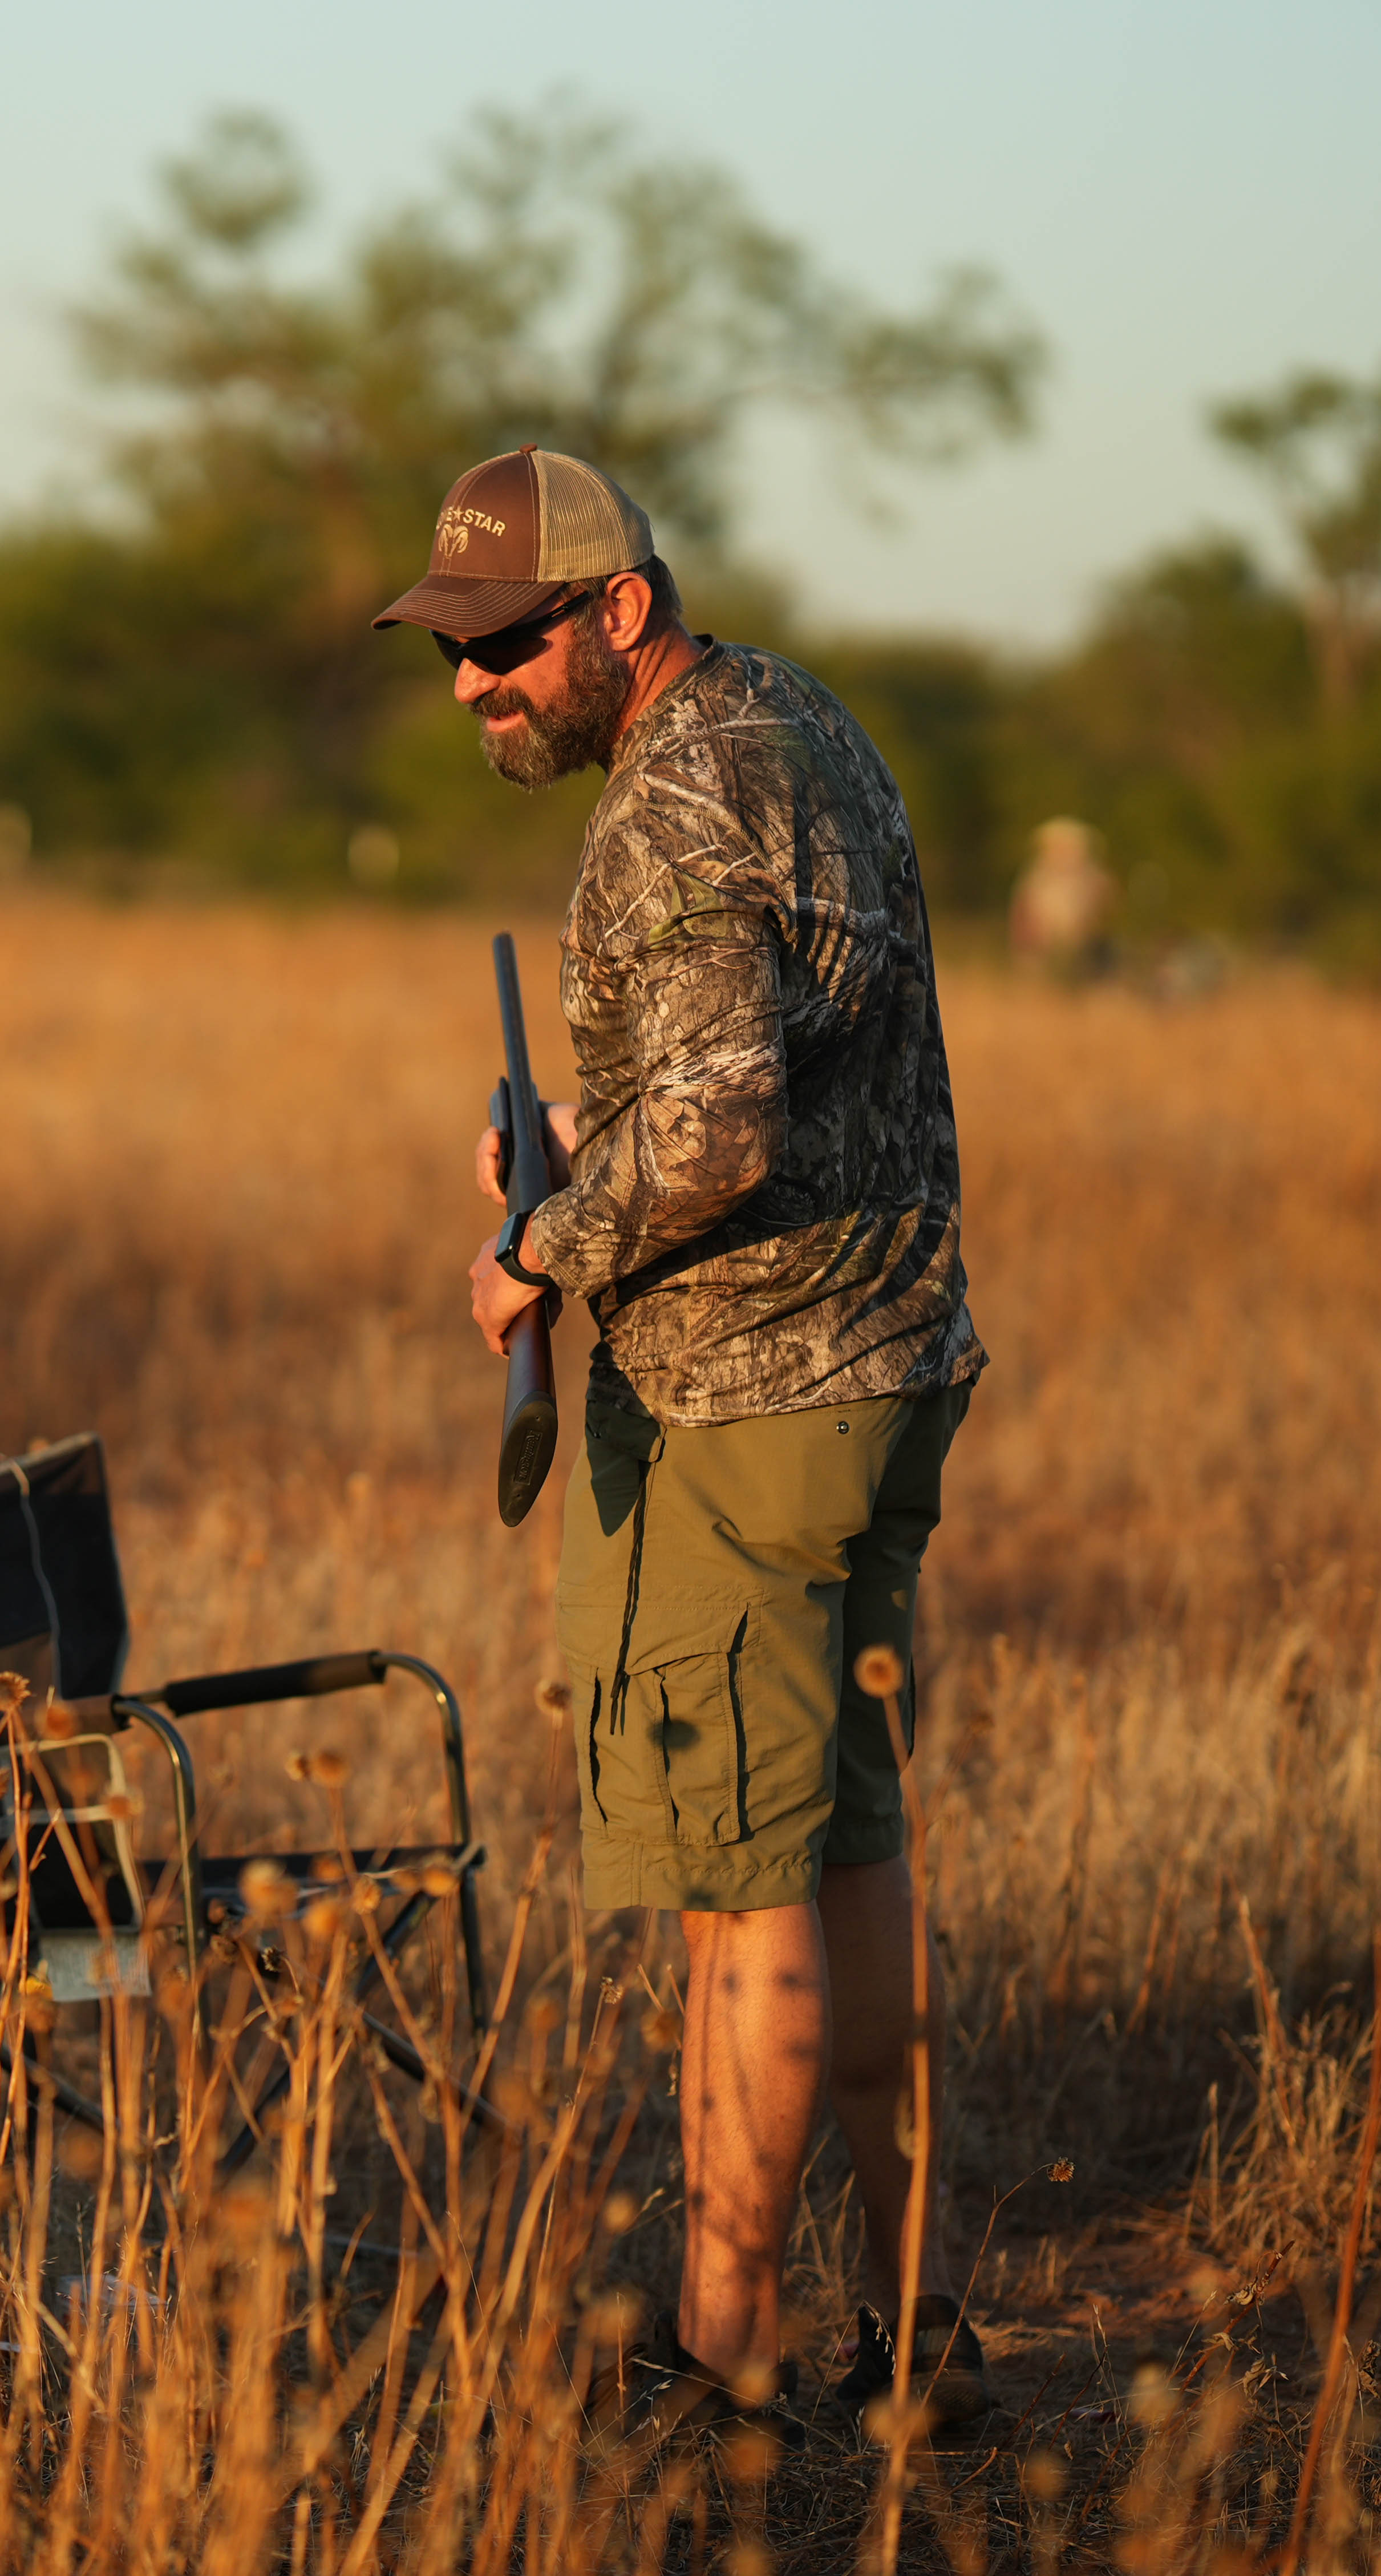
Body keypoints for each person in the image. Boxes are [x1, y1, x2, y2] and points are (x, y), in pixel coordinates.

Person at [377, 448, 993, 2440]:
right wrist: (583, 1141)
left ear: (616, 612)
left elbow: (718, 1135)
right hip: (884, 1361)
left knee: (744, 1886)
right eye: (451, 651)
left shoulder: (660, 803)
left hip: (741, 1405)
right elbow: (765, 1071)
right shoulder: (790, 719)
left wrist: (535, 1243)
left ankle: (720, 2359)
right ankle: (904, 2315)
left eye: (503, 643)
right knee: (851, 1846)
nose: (474, 684)